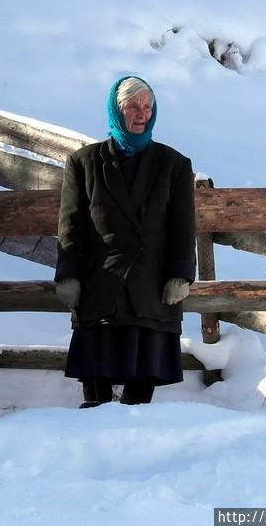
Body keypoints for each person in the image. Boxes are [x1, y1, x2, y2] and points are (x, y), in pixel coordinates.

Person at [55, 76, 195, 407]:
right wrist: (68, 275)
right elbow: (70, 225)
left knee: (141, 387)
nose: (141, 113)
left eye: (147, 106)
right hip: (101, 284)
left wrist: (181, 274)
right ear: (117, 111)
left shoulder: (174, 165)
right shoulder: (84, 163)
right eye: (133, 106)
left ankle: (134, 434)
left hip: (152, 283)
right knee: (96, 385)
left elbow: (183, 227)